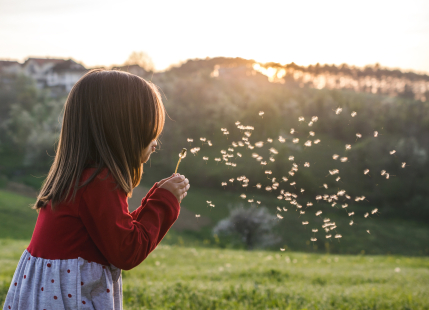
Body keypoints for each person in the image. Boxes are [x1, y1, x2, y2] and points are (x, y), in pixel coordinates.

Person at [2, 69, 190, 310]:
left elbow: (114, 232)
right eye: (149, 133)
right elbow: (126, 250)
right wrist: (164, 202)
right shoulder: (99, 182)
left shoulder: (79, 177)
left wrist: (154, 197)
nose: (155, 143)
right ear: (122, 131)